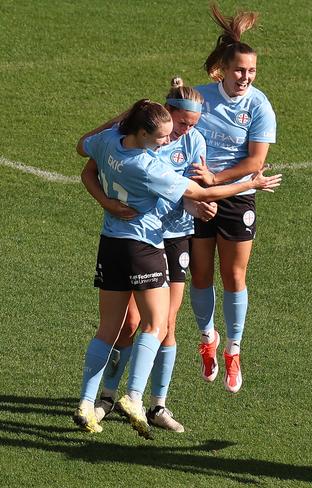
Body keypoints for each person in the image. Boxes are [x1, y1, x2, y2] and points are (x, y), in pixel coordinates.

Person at [73, 99, 281, 438]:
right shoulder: (147, 167)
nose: (169, 141)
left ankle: (86, 402)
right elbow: (200, 191)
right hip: (144, 245)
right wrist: (251, 185)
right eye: (162, 136)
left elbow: (82, 146)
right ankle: (134, 397)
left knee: (107, 328)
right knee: (155, 325)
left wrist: (121, 118)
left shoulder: (109, 140)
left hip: (110, 242)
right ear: (142, 133)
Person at [80, 78, 217, 433]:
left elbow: (197, 187)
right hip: (143, 239)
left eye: (192, 125)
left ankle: (156, 405)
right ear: (167, 114)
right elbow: (90, 165)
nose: (185, 131)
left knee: (165, 324)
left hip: (174, 238)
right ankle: (109, 397)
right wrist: (106, 201)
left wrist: (205, 195)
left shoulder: (193, 141)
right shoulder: (146, 140)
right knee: (127, 324)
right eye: (182, 123)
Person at [188, 4, 276, 394]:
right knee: (201, 273)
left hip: (237, 195)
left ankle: (234, 349)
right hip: (196, 196)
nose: (246, 78)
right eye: (240, 70)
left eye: (252, 71)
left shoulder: (259, 106)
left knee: (234, 275)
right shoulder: (199, 100)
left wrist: (216, 179)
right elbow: (174, 140)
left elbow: (256, 160)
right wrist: (198, 189)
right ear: (222, 69)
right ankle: (209, 339)